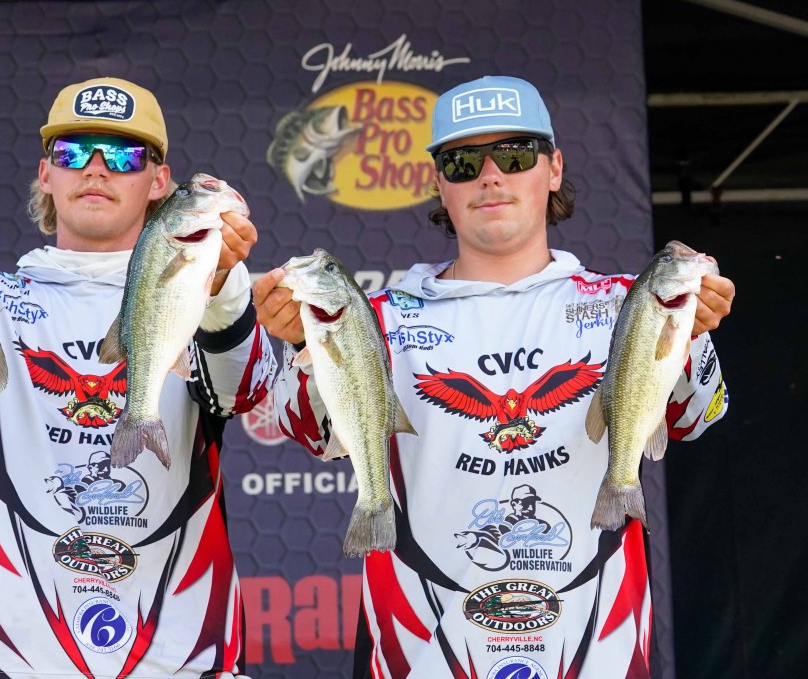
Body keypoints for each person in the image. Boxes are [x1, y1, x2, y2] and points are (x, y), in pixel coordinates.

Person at [253, 75, 735, 678]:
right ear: (438, 182)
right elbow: (313, 433)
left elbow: (695, 416)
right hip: (421, 652)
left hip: (598, 652)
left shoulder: (624, 303)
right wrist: (304, 343)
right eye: (462, 162)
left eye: (514, 155)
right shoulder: (377, 318)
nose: (489, 176)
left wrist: (692, 332)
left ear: (553, 168)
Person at [0, 77, 274, 678]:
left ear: (159, 181)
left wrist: (222, 285)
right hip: (6, 657)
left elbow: (245, 390)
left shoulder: (205, 290)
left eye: (123, 155)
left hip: (179, 657)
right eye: (73, 152)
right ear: (46, 174)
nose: (96, 169)